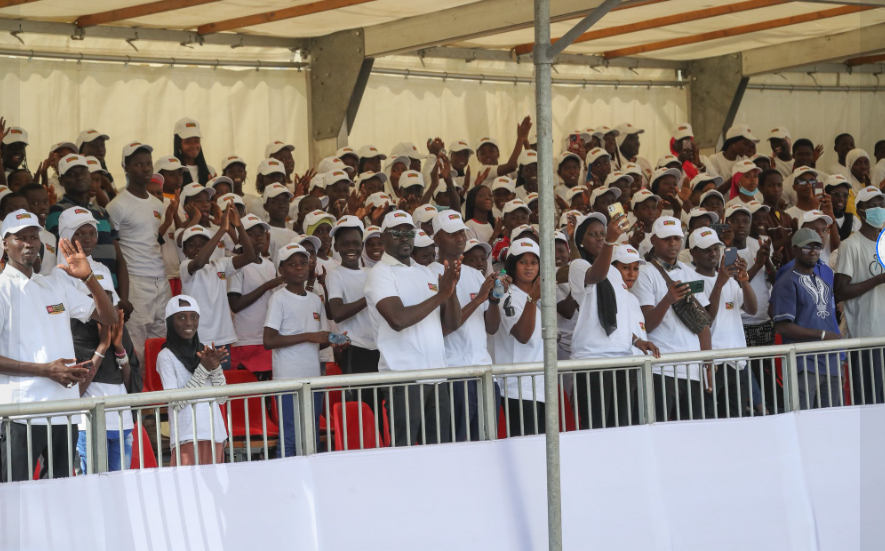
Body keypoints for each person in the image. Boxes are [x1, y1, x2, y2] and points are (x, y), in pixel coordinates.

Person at [0, 209, 117, 482]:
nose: (29, 243)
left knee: (61, 493)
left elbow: (109, 317)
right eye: (20, 238)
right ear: (5, 243)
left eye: (34, 237)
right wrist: (46, 370)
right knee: (15, 494)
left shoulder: (54, 285)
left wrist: (88, 278)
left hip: (64, 410)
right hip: (21, 412)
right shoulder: (2, 288)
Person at [52, 208, 140, 472]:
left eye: (92, 232)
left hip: (111, 352)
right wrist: (102, 343)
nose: (88, 238)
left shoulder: (101, 269)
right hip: (82, 352)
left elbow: (112, 314)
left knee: (119, 477)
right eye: (80, 233)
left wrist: (114, 342)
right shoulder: (58, 274)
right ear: (65, 236)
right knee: (90, 476)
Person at [364, 210, 461, 446]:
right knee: (405, 452)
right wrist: (441, 295)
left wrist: (452, 290)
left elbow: (451, 324)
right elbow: (398, 319)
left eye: (409, 233)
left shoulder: (424, 271)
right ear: (383, 237)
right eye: (397, 233)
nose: (404, 238)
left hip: (437, 376)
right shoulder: (380, 273)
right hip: (404, 377)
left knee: (438, 451)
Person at [568, 212, 659, 429]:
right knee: (596, 427)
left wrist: (636, 340)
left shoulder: (616, 274)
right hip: (592, 360)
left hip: (621, 357)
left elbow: (618, 317)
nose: (600, 237)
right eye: (593, 234)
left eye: (602, 233)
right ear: (581, 241)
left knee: (621, 426)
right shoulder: (578, 266)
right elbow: (596, 275)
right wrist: (610, 241)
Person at [630, 216, 712, 421]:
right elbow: (647, 325)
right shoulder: (645, 273)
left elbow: (703, 324)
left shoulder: (689, 272)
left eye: (676, 238)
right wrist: (668, 300)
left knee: (692, 432)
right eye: (667, 238)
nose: (673, 243)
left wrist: (708, 363)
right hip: (661, 368)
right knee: (660, 430)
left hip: (693, 368)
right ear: (653, 240)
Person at [430, 211, 501, 442]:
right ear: (437, 239)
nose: (460, 237)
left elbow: (491, 328)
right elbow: (441, 329)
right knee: (459, 444)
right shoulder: (428, 274)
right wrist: (479, 299)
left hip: (485, 372)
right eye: (452, 233)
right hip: (454, 373)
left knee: (487, 443)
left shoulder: (475, 274)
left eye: (461, 232)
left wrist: (493, 300)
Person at [264, 243, 338, 456]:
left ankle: (309, 474)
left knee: (310, 434)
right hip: (288, 379)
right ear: (281, 270)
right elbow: (268, 340)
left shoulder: (315, 299)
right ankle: (285, 475)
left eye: (303, 263)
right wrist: (308, 336)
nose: (299, 268)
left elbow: (318, 340)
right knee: (290, 437)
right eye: (292, 264)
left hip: (312, 378)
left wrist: (333, 341)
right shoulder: (278, 298)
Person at [107, 142, 172, 364]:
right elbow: (113, 247)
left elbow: (153, 239)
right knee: (136, 346)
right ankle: (136, 387)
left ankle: (159, 387)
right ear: (126, 168)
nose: (145, 168)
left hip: (161, 280)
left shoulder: (157, 204)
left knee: (162, 344)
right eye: (138, 164)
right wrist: (122, 294)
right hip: (135, 281)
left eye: (148, 164)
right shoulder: (117, 205)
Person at [687, 227, 762, 418]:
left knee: (736, 418)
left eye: (716, 248)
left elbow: (752, 309)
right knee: (710, 419)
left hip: (736, 361)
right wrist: (719, 282)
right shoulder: (691, 280)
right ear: (693, 252)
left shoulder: (730, 280)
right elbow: (706, 320)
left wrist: (744, 281)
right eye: (706, 250)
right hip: (711, 363)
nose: (713, 253)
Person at [771, 228, 843, 409]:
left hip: (831, 361)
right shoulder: (786, 281)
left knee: (832, 417)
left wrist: (839, 356)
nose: (813, 252)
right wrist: (822, 335)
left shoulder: (824, 280)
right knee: (804, 418)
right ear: (794, 250)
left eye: (817, 247)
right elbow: (782, 326)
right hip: (804, 362)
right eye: (806, 247)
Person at [47, 154, 129, 309]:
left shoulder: (102, 212)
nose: (79, 177)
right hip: (80, 292)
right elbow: (61, 252)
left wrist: (122, 297)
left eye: (83, 172)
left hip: (111, 291)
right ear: (61, 181)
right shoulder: (57, 211)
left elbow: (119, 258)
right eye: (72, 174)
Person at [181, 205, 255, 370]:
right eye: (191, 245)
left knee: (221, 384)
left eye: (203, 244)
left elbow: (250, 256)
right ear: (184, 250)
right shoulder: (185, 266)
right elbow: (199, 262)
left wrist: (239, 226)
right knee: (199, 382)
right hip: (198, 339)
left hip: (222, 338)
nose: (198, 248)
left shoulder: (221, 264)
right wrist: (222, 229)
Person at [157, 295, 228, 464]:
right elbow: (176, 403)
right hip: (186, 436)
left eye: (194, 317)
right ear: (170, 322)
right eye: (181, 318)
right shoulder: (165, 356)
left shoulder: (205, 352)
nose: (189, 323)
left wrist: (215, 368)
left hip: (215, 433)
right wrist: (203, 369)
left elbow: (222, 398)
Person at [835, 186, 885, 406]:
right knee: (870, 402)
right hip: (866, 338)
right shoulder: (850, 245)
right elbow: (840, 290)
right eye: (873, 206)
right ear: (861, 212)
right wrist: (878, 279)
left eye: (882, 205)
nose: (879, 209)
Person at [493, 238, 546, 436]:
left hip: (539, 386)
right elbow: (523, 335)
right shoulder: (507, 294)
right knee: (524, 446)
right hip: (517, 388)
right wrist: (532, 298)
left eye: (534, 262)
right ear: (513, 265)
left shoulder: (539, 296)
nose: (529, 267)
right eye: (523, 262)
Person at [19, 183, 57, 275]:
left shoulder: (51, 237)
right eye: (35, 203)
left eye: (46, 202)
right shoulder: (18, 236)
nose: (43, 207)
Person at [173, 118, 215, 186]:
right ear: (178, 143)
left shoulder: (211, 171)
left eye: (196, 141)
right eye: (187, 142)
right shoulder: (171, 172)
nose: (193, 145)